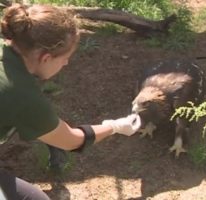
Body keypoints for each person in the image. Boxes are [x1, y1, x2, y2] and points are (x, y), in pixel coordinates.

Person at [0, 3, 141, 200]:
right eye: (65, 58)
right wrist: (114, 126)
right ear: (46, 57)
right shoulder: (23, 95)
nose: (66, 63)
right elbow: (73, 140)